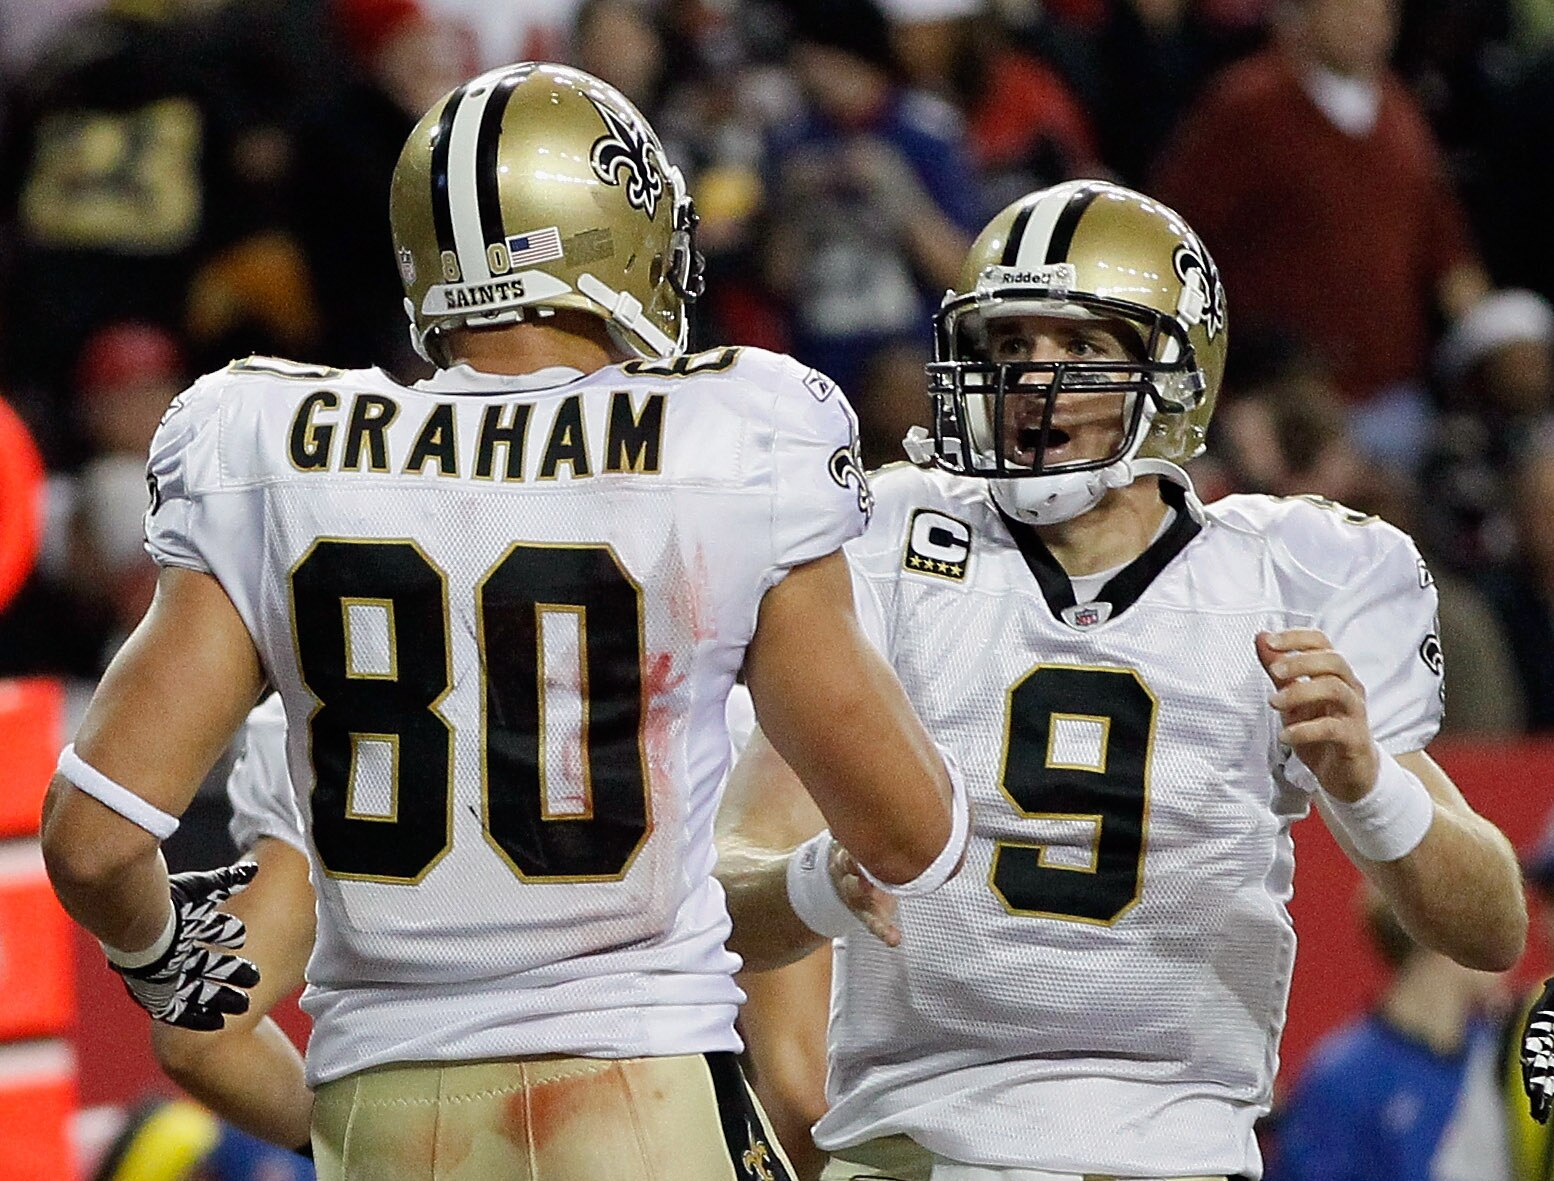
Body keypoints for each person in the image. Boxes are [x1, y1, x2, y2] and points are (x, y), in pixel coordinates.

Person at [39, 62, 970, 1181]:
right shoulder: (735, 437)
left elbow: (93, 842)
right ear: (609, 230)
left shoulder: (271, 450)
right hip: (640, 1089)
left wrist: (156, 954)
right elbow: (910, 833)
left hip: (386, 1113)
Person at [717, 179, 1526, 1181]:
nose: (1031, 382)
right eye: (1010, 347)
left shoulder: (1297, 573)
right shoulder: (885, 538)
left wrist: (1369, 782)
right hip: (916, 1146)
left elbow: (1491, 924)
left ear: (1177, 374)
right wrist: (817, 882)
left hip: (1173, 1151)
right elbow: (726, 883)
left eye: (1080, 350)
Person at [1272, 888, 1505, 1181]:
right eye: (1490, 925)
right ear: (1443, 936)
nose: (1509, 943)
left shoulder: (1500, 1057)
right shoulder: (1343, 1079)